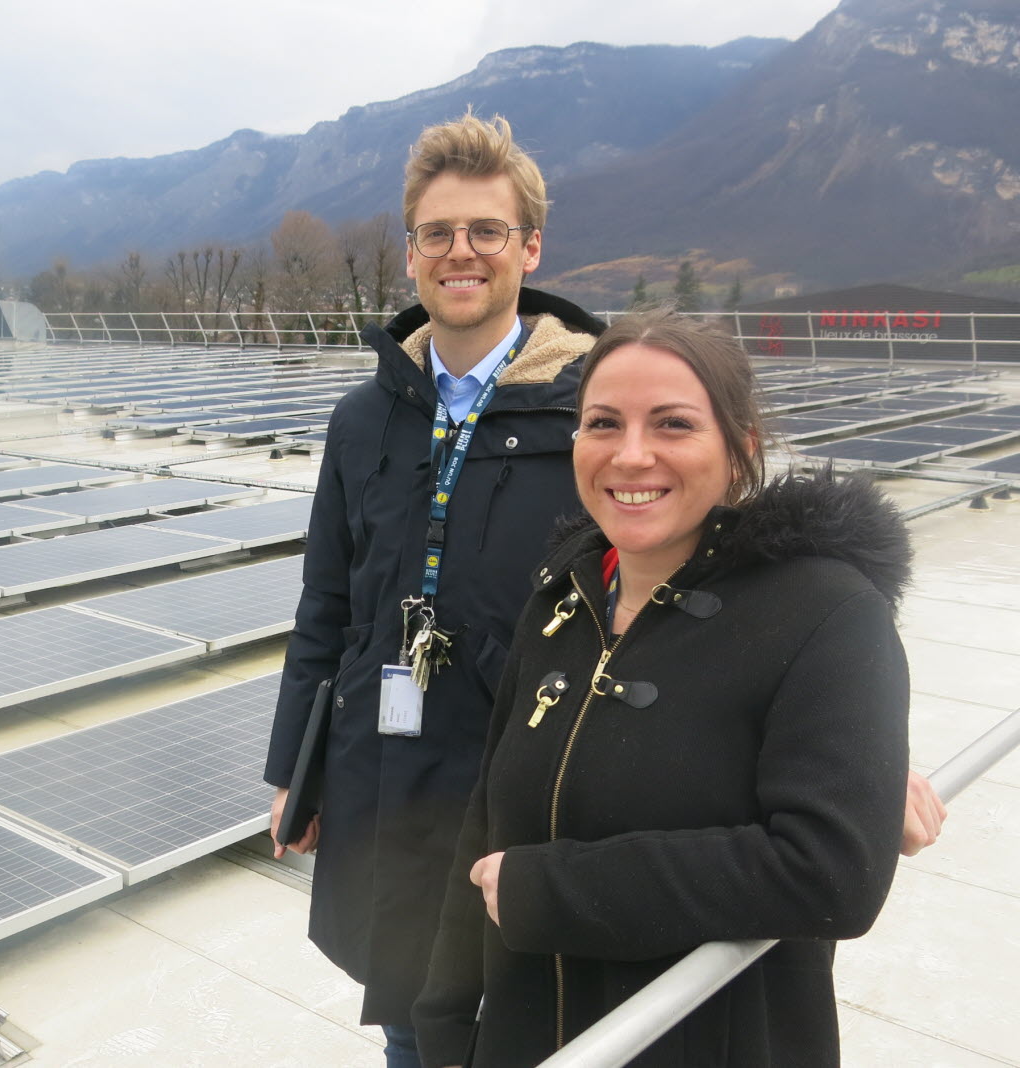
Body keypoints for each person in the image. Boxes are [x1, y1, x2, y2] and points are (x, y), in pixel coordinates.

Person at [413, 311, 912, 1067]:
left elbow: (835, 872)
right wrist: (446, 1021)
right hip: (528, 1037)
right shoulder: (563, 594)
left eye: (673, 424)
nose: (631, 454)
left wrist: (548, 891)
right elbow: (489, 817)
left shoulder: (826, 612)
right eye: (603, 423)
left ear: (741, 446)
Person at [264, 113, 606, 1068]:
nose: (462, 253)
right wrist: (299, 767)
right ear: (409, 253)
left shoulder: (591, 413)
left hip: (525, 786)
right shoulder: (364, 418)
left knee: (521, 1023)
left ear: (528, 248)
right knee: (410, 1014)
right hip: (385, 774)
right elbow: (326, 604)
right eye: (438, 233)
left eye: (487, 231)